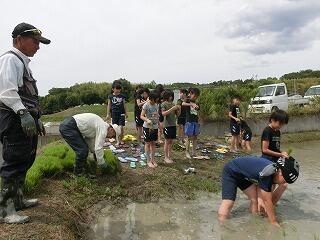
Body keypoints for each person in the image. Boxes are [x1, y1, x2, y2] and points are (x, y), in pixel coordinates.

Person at [0, 23, 50, 224]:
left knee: (26, 160)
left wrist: (35, 118)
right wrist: (22, 113)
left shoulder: (23, 63)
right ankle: (5, 210)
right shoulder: (10, 59)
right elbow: (7, 92)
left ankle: (17, 200)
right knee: (13, 162)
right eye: (35, 41)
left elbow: (27, 95)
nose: (38, 46)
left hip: (24, 120)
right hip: (14, 120)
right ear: (19, 39)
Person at [218, 156, 299, 227]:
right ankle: (223, 226)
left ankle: (254, 221)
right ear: (280, 173)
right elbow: (267, 201)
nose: (284, 183)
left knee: (255, 200)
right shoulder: (267, 174)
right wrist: (273, 222)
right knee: (228, 202)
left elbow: (265, 196)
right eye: (285, 181)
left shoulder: (275, 172)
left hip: (242, 175)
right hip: (231, 171)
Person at [140, 91, 160, 168]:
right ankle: (148, 160)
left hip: (154, 127)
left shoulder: (156, 105)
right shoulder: (146, 105)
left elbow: (156, 115)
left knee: (153, 143)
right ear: (152, 99)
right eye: (156, 99)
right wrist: (147, 120)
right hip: (147, 127)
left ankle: (153, 159)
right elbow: (141, 116)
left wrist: (157, 116)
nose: (156, 101)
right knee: (147, 143)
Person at [161, 89, 180, 163]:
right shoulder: (163, 104)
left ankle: (169, 156)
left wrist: (179, 109)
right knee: (167, 141)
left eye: (172, 96)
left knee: (171, 141)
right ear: (166, 96)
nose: (171, 97)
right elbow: (163, 114)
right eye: (170, 96)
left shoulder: (173, 104)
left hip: (173, 125)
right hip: (167, 125)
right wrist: (172, 109)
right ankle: (165, 157)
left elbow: (177, 115)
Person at [182, 88, 201, 159]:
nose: (193, 96)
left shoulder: (197, 102)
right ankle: (187, 152)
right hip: (189, 121)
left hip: (195, 121)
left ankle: (194, 152)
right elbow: (183, 103)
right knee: (188, 137)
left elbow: (198, 108)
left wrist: (196, 106)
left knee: (195, 137)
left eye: (196, 96)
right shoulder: (187, 100)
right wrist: (191, 104)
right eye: (192, 94)